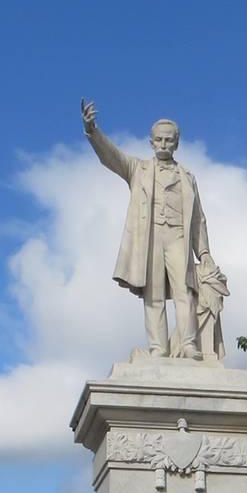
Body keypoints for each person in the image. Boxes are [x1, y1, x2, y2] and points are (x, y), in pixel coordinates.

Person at [82, 100, 224, 362]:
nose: (163, 144)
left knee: (186, 292)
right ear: (151, 142)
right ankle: (159, 348)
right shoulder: (139, 169)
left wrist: (203, 252)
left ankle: (189, 345)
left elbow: (198, 219)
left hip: (178, 237)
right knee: (154, 295)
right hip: (151, 236)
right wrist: (93, 132)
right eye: (158, 140)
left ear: (177, 143)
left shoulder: (187, 176)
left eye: (169, 140)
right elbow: (112, 156)